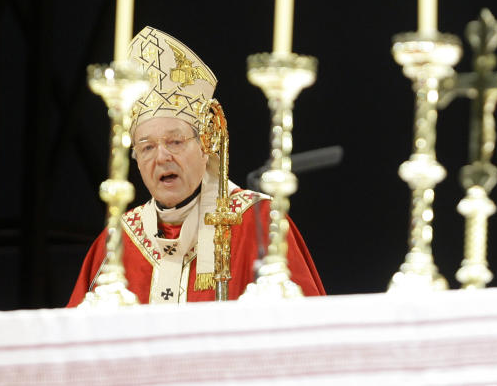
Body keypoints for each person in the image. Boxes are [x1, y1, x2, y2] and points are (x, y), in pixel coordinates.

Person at [68, 26, 324, 305]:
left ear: (206, 144)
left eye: (175, 142)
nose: (162, 157)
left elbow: (309, 331)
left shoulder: (261, 224)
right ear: (136, 159)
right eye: (147, 147)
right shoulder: (116, 242)